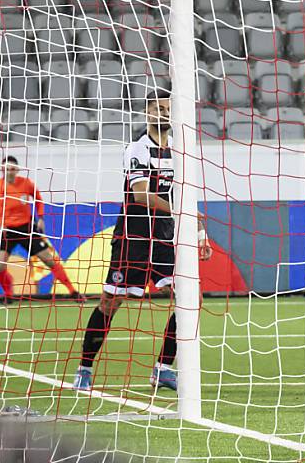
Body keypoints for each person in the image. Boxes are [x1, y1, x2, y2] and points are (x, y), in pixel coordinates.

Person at [73, 89, 212, 392]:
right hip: (133, 238)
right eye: (157, 108)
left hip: (164, 238)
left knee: (192, 299)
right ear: (147, 112)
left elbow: (185, 195)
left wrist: (200, 233)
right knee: (110, 303)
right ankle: (84, 368)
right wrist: (184, 213)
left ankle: (162, 369)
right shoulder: (137, 149)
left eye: (168, 108)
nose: (164, 113)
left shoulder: (181, 151)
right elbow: (141, 196)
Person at [0, 156, 82, 301]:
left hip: (26, 229)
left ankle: (73, 291)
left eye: (12, 169)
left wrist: (40, 218)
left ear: (17, 170)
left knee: (49, 260)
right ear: (2, 170)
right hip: (6, 231)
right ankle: (8, 295)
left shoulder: (26, 184)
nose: (9, 172)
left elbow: (38, 200)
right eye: (6, 169)